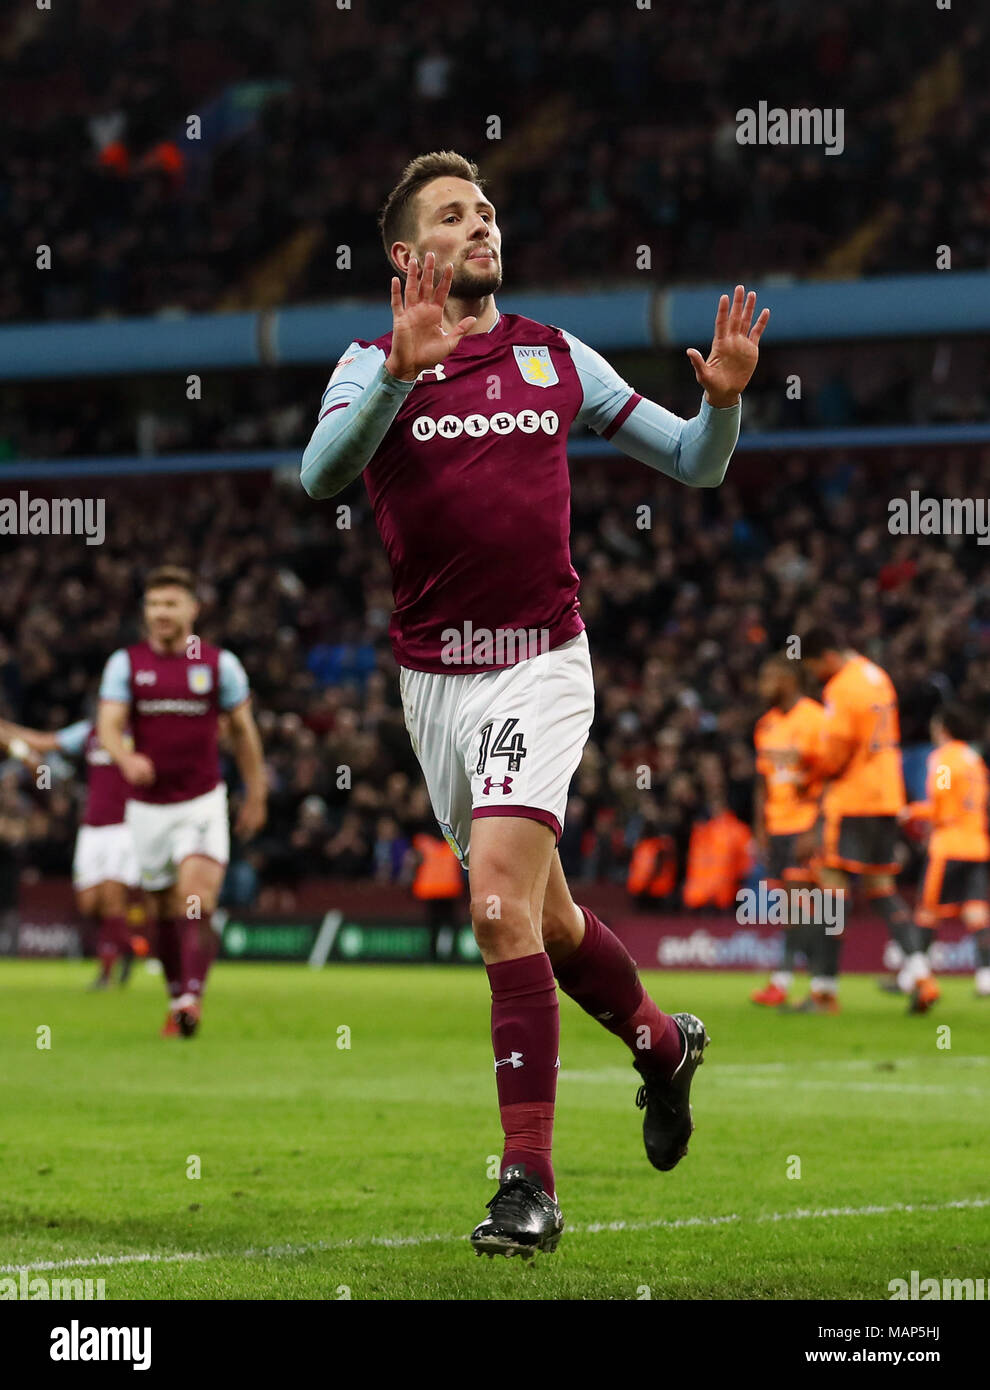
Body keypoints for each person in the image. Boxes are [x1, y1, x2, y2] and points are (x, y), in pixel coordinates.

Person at [301, 151, 769, 1258]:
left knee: (497, 906)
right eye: (455, 216)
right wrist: (398, 379)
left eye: (488, 211)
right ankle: (661, 1043)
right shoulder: (369, 362)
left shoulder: (555, 355)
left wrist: (725, 406)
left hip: (539, 662)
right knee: (548, 922)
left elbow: (695, 465)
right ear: (408, 257)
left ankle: (530, 1183)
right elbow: (323, 475)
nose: (482, 226)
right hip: (433, 680)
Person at [97, 566, 267, 1037]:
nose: (161, 613)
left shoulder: (219, 664)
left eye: (171, 604)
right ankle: (177, 995)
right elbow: (109, 723)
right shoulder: (125, 664)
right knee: (161, 908)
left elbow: (244, 732)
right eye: (154, 605)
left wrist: (256, 790)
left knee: (196, 898)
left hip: (202, 800)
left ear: (192, 609)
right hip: (147, 807)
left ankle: (192, 996)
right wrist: (125, 757)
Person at [802, 627, 936, 1014]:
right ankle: (921, 974)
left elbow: (836, 753)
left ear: (826, 656)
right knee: (881, 887)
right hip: (886, 796)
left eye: (815, 667)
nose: (818, 676)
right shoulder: (878, 676)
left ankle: (824, 991)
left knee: (831, 890)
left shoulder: (841, 688)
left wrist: (809, 775)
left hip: (852, 800)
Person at [0, 713, 139, 989]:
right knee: (88, 903)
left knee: (112, 899)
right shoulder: (89, 731)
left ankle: (106, 972)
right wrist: (6, 730)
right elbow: (43, 741)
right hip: (92, 829)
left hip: (126, 826)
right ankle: (129, 946)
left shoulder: (143, 732)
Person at [750, 656, 825, 1007]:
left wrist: (818, 826)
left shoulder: (814, 718)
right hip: (778, 827)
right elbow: (763, 783)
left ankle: (796, 983)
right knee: (794, 909)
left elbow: (827, 775)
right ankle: (811, 984)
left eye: (768, 676)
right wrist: (761, 830)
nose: (762, 684)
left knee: (806, 906)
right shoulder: (765, 725)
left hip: (805, 824)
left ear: (788, 679)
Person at [900, 705, 990, 999]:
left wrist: (911, 811)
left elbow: (939, 802)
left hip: (949, 845)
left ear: (944, 728)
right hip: (977, 845)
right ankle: (986, 977)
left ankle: (914, 976)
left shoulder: (942, 759)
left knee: (926, 913)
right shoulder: (975, 760)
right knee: (976, 912)